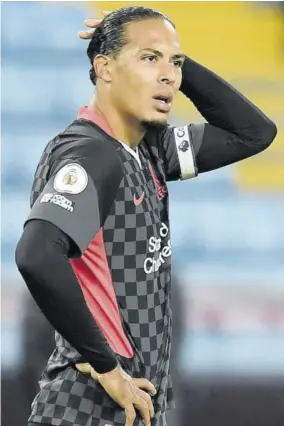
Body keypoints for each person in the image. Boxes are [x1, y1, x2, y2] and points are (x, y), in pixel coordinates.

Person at [15, 6, 277, 426]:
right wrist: (106, 367)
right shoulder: (92, 153)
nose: (168, 75)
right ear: (105, 68)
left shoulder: (149, 149)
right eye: (148, 59)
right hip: (89, 407)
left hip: (133, 405)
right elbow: (37, 254)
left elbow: (254, 133)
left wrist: (175, 63)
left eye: (173, 62)